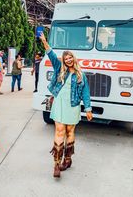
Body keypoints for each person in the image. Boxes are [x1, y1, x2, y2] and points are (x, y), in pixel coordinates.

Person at [39, 32, 93, 178]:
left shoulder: (81, 75)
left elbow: (86, 92)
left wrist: (88, 109)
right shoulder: (59, 68)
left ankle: (67, 159)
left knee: (70, 132)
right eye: (66, 58)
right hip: (60, 104)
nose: (68, 60)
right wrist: (44, 41)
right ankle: (56, 164)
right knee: (59, 132)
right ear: (63, 60)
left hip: (73, 105)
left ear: (73, 59)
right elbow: (50, 54)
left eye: (70, 58)